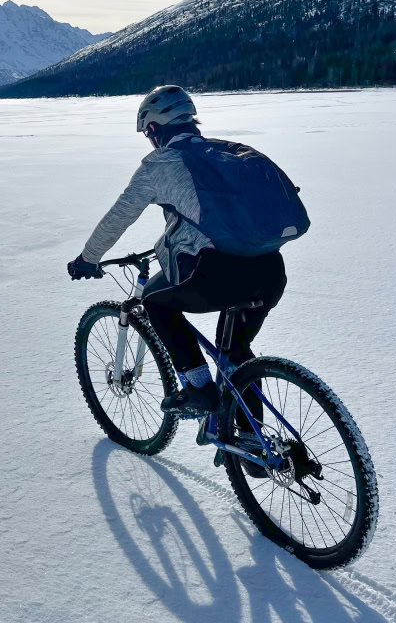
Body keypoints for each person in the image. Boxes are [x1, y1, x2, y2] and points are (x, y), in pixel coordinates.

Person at [67, 85, 288, 419]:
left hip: (220, 276)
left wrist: (88, 259)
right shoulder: (227, 153)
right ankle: (250, 445)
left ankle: (198, 389)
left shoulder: (160, 166)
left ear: (154, 130)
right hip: (270, 269)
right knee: (234, 351)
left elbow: (118, 218)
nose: (149, 140)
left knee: (155, 303)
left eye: (147, 133)